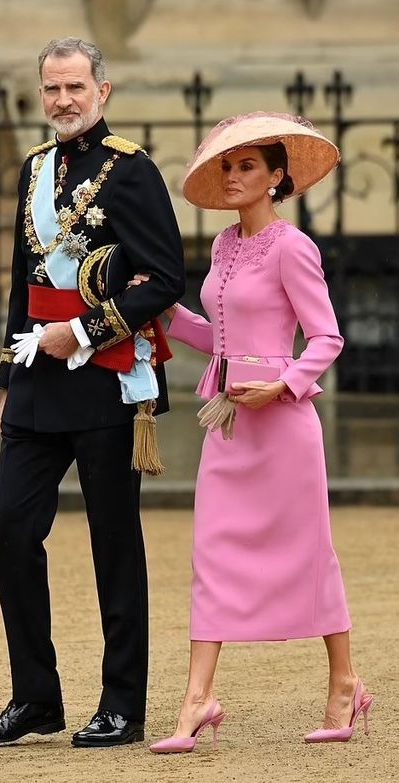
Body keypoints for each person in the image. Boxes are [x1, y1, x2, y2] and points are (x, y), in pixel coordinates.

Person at [0, 37, 184, 749]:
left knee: (113, 543)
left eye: (76, 88)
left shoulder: (133, 170)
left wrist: (85, 331)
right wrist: (8, 378)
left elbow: (162, 277)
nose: (63, 100)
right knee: (9, 526)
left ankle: (122, 704)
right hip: (36, 383)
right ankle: (36, 698)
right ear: (42, 94)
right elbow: (19, 287)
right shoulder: (33, 168)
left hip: (107, 381)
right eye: (52, 89)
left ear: (103, 91)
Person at [146, 112, 373, 753]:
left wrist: (283, 385)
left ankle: (344, 682)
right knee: (211, 554)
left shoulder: (294, 246)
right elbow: (212, 338)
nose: (235, 175)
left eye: (249, 166)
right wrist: (161, 309)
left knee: (310, 551)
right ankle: (196, 701)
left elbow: (326, 335)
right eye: (229, 166)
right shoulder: (221, 246)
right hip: (227, 423)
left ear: (277, 178)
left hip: (283, 425)